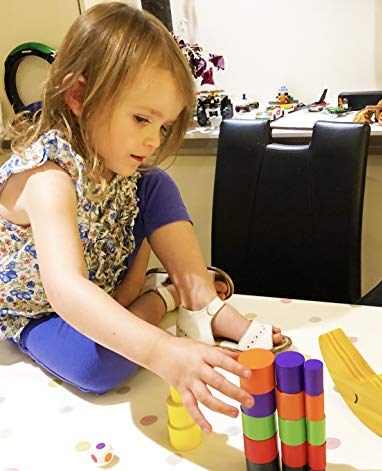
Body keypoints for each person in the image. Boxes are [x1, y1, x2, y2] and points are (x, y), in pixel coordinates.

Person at [0, 2, 289, 434]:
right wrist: (162, 351)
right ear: (79, 96)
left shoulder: (119, 167)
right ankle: (167, 294)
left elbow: (124, 220)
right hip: (41, 312)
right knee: (95, 367)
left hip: (104, 275)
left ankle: (202, 299)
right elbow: (66, 291)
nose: (153, 140)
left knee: (153, 183)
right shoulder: (47, 178)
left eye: (164, 127)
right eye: (141, 119)